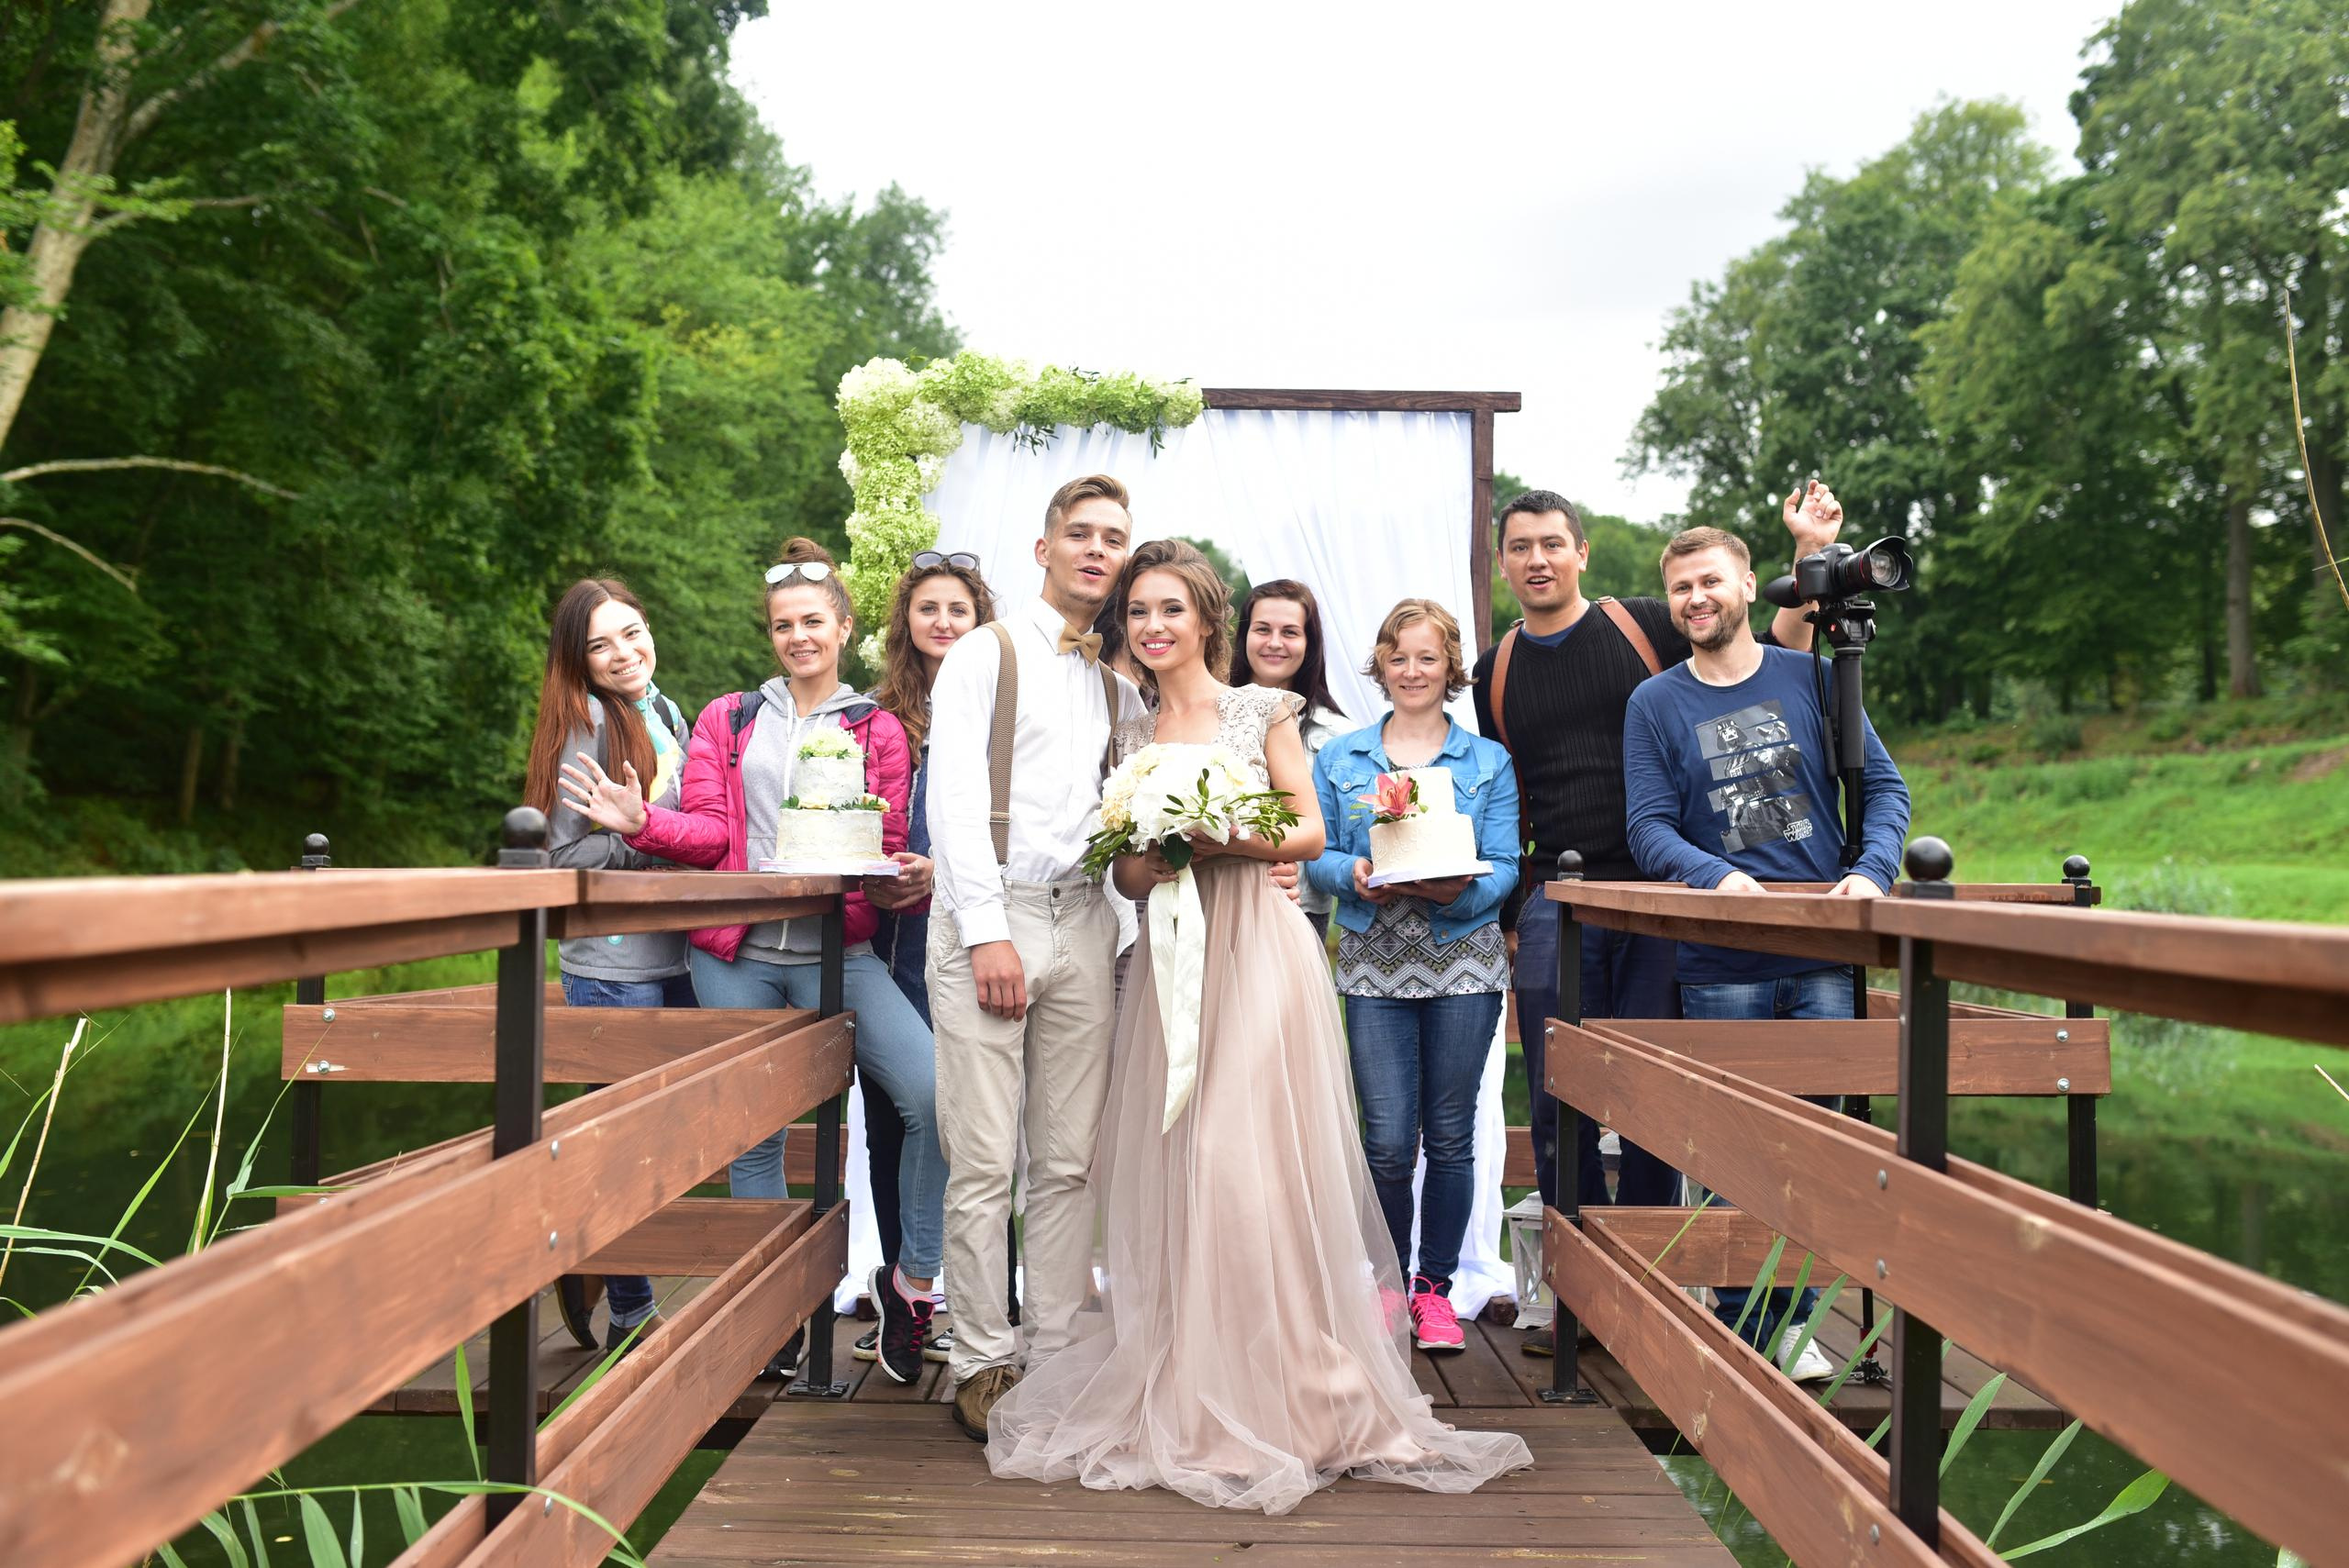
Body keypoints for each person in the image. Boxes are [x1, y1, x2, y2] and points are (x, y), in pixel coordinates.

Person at [985, 539, 1531, 1514]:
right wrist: (1151, 850)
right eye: (1138, 613)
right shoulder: (1130, 726)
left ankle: (1289, 1386)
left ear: (1205, 619)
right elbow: (1125, 874)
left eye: (1170, 610)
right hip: (1169, 960)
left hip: (1257, 951)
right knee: (1183, 1163)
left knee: (1247, 1163)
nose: (1153, 628)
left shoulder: (1261, 709)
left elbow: (1309, 830)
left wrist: (1214, 834)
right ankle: (1199, 1379)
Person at [559, 538, 946, 1387]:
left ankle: (913, 1282)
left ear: (843, 628)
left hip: (835, 955)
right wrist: (641, 821)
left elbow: (878, 848)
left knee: (931, 1096)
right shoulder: (727, 718)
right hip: (734, 957)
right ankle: (769, 1310)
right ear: (769, 635)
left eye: (813, 621)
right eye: (782, 625)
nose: (798, 637)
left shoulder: (875, 727)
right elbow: (707, 835)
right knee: (758, 1135)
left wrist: (903, 885)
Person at [1473, 484, 1841, 1305]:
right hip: (1556, 899)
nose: (1537, 559)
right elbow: (1507, 792)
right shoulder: (1492, 670)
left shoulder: (1642, 623)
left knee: (1654, 1092)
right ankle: (1584, 1278)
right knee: (1559, 1088)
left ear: (1582, 553)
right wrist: (1507, 919)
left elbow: (1760, 664)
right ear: (1503, 563)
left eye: (1552, 544)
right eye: (1521, 547)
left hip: (1664, 888)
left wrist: (1806, 556)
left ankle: (1653, 1273)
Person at [1622, 525, 1909, 1379]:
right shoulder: (1657, 702)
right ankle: (1749, 1326)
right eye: (1680, 588)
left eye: (1710, 581)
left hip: (1820, 952)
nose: (1696, 599)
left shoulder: (1814, 676)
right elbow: (1647, 826)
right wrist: (1715, 878)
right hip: (1722, 961)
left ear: (1751, 585)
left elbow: (1886, 788)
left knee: (1816, 1145)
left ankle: (1792, 1319)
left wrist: (1871, 876)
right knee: (1734, 1150)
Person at [924, 475, 1145, 1440]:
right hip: (996, 908)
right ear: (1043, 546)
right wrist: (985, 931)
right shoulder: (984, 651)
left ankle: (1054, 1353)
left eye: (1112, 538)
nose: (1096, 549)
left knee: (1066, 1161)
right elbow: (955, 801)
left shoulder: (1119, 684)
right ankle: (978, 1358)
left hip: (1086, 918)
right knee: (981, 1159)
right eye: (1080, 533)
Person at [1306, 599, 1519, 1354]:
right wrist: (1352, 873)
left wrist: (1459, 889)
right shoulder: (1342, 758)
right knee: (1389, 1141)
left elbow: (1507, 864)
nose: (1413, 670)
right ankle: (1386, 1288)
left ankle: (1434, 1292)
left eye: (1427, 657)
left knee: (1451, 1135)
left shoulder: (1487, 761)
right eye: (1399, 657)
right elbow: (1315, 852)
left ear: (1450, 665)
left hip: (1463, 960)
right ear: (1381, 666)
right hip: (1372, 964)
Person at [529, 578, 690, 1358]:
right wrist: (654, 834)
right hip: (614, 963)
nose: (624, 653)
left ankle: (588, 1254)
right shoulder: (586, 723)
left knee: (669, 1130)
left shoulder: (661, 708)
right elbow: (567, 851)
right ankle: (630, 1308)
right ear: (578, 661)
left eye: (632, 632)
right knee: (628, 1140)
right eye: (601, 644)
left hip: (674, 951)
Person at [857, 550, 993, 1368]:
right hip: (888, 944)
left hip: (972, 939)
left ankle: (968, 1295)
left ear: (981, 622)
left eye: (959, 610)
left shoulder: (998, 710)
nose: (943, 623)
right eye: (928, 609)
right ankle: (903, 1300)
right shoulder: (878, 719)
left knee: (970, 1120)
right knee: (890, 1124)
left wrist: (943, 873)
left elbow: (1019, 828)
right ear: (905, 623)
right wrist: (879, 879)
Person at [1231, 580, 1350, 935]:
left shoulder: (1338, 737)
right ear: (1245, 636)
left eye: (1291, 632)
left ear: (1309, 643)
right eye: (1262, 629)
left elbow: (1343, 838)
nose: (1275, 643)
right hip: (1218, 902)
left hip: (1298, 908)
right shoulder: (1210, 716)